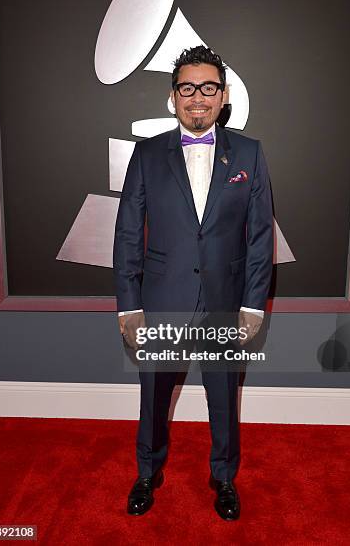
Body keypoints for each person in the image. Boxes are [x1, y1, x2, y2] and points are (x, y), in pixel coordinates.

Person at [113, 45, 273, 520]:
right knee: (154, 397)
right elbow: (127, 235)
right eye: (187, 88)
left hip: (227, 302)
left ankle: (223, 477)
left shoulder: (250, 153)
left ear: (223, 96)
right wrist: (128, 307)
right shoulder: (145, 155)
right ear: (173, 97)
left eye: (208, 87)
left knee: (224, 397)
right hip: (161, 300)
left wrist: (253, 306)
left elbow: (261, 237)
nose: (197, 97)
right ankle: (148, 470)